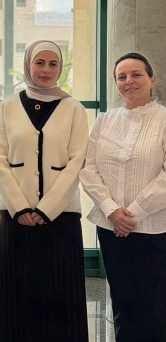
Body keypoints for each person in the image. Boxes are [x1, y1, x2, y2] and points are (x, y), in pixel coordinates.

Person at [0, 40, 89, 342]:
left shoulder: (74, 109)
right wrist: (20, 207)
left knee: (60, 295)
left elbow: (77, 162)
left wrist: (47, 209)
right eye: (40, 63)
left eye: (53, 64)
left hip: (61, 219)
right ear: (28, 65)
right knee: (17, 295)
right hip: (16, 218)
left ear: (60, 68)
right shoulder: (6, 107)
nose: (46, 69)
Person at [80, 52, 166, 341]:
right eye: (122, 76)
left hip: (155, 229)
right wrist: (111, 210)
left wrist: (132, 214)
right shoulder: (104, 121)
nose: (129, 81)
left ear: (152, 80)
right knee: (123, 302)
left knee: (155, 305)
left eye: (136, 74)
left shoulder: (164, 119)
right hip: (110, 226)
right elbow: (88, 169)